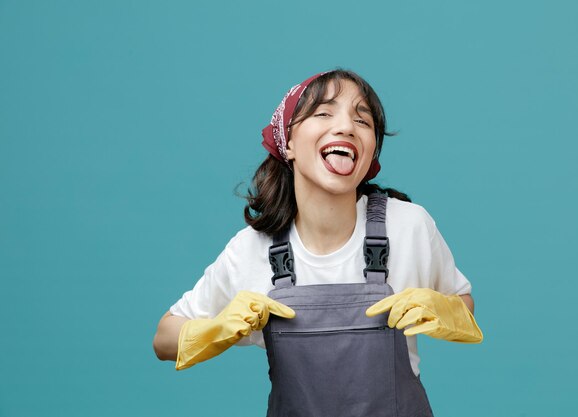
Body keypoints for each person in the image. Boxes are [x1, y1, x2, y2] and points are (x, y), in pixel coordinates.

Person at [153, 69, 483, 416]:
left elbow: (463, 303)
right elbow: (163, 339)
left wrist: (446, 310)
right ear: (288, 142)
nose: (346, 127)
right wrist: (215, 330)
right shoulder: (252, 249)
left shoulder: (408, 225)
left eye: (362, 120)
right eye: (324, 113)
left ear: (371, 154)